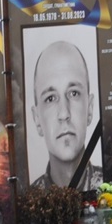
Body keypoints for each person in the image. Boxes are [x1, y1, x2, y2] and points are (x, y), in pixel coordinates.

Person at [30, 40, 102, 190]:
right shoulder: (26, 202)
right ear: (37, 119)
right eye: (51, 98)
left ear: (89, 108)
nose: (64, 113)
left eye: (73, 93)